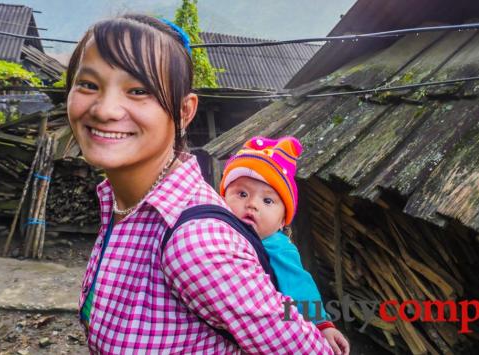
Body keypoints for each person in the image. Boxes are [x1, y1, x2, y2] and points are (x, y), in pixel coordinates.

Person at [66, 14, 334, 354]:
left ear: (184, 112)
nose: (104, 110)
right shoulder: (121, 203)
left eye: (138, 90)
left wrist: (322, 322)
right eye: (89, 85)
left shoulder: (196, 245)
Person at [220, 136, 350, 355]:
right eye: (242, 194)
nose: (252, 204)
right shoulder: (213, 230)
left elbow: (300, 286)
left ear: (282, 221)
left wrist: (322, 325)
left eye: (267, 201)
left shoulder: (277, 246)